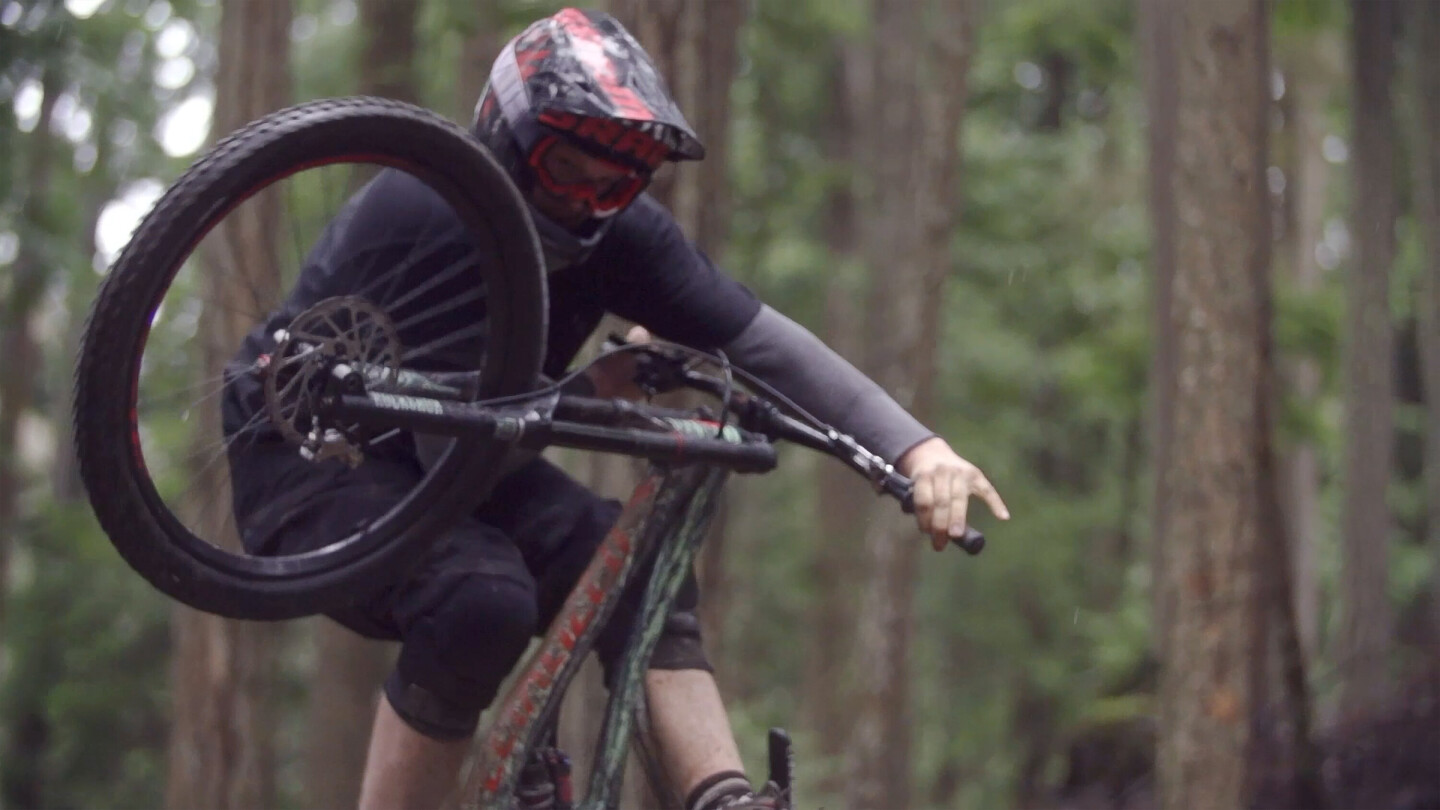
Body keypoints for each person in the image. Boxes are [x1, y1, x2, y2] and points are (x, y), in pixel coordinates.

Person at [223, 8, 1009, 810]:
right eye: (565, 171)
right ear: (509, 139)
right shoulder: (427, 207)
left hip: (473, 459)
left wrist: (917, 451)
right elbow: (451, 449)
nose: (585, 204)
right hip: (313, 463)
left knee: (641, 568)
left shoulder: (625, 238)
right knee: (479, 600)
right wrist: (592, 390)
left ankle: (722, 798)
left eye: (614, 186)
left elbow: (766, 346)